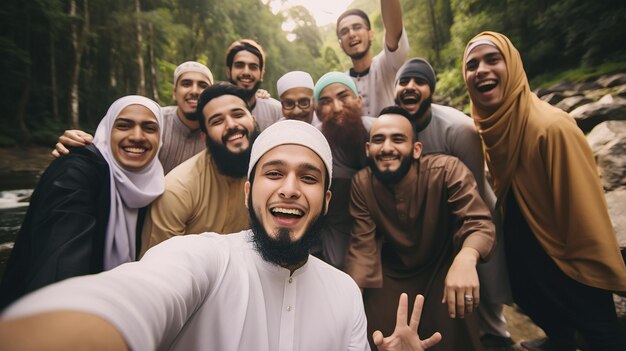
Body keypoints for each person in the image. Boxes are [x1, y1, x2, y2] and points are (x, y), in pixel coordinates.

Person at [0, 120, 442, 351]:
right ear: (250, 191)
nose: (289, 187)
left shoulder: (344, 292)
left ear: (326, 201)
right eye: (273, 173)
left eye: (308, 178)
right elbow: (134, 299)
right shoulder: (204, 260)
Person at [463, 31, 626, 351]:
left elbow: (585, 210)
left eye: (493, 59)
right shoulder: (492, 123)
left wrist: (595, 271)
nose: (481, 70)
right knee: (525, 290)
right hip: (525, 228)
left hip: (566, 246)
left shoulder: (553, 127)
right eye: (471, 65)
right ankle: (561, 339)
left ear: (513, 67)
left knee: (599, 328)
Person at [345, 109, 496, 351]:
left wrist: (466, 259)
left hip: (442, 269)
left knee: (455, 330)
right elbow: (362, 247)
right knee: (375, 337)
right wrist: (349, 296)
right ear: (367, 149)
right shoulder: (361, 183)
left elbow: (478, 222)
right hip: (391, 274)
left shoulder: (447, 170)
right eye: (378, 140)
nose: (386, 148)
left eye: (397, 139)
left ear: (416, 149)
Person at [0, 96, 165, 310]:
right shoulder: (75, 170)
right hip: (38, 319)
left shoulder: (153, 184)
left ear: (161, 139)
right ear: (106, 131)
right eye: (123, 126)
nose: (136, 136)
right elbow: (60, 262)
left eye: (149, 128)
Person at [394, 58, 513, 349]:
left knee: (485, 291)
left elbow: (475, 194)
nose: (410, 87)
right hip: (426, 224)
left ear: (431, 90)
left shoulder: (460, 129)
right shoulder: (393, 128)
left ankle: (499, 336)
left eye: (419, 82)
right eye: (403, 82)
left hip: (472, 215)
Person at [140, 83, 258, 254]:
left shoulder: (270, 178)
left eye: (238, 114)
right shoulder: (178, 189)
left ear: (253, 120)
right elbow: (160, 268)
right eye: (217, 121)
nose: (231, 125)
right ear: (204, 137)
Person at [53, 61, 213, 174]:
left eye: (202, 86)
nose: (194, 91)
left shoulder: (218, 132)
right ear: (174, 92)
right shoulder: (152, 121)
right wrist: (77, 148)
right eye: (186, 84)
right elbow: (107, 149)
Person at [314, 71, 376, 268]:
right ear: (317, 111)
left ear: (359, 100)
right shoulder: (315, 146)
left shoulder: (379, 133)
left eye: (343, 97)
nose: (337, 108)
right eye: (326, 102)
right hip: (338, 230)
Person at [336, 0, 409, 116]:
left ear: (371, 34)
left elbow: (394, 34)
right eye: (344, 32)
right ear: (340, 44)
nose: (351, 34)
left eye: (357, 27)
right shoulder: (340, 83)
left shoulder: (387, 64)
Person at [226, 39, 283, 131]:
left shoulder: (277, 112)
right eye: (239, 65)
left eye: (253, 67)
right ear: (228, 72)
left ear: (261, 74)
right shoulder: (215, 110)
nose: (246, 72)